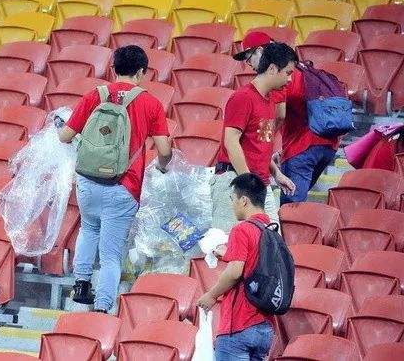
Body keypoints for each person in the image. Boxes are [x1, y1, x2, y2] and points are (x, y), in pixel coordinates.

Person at [59, 45, 173, 313]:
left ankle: (81, 285)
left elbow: (65, 136)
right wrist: (162, 165)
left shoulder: (95, 95)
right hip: (124, 186)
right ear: (142, 72)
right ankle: (102, 307)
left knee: (88, 229)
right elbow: (164, 150)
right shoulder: (151, 103)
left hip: (88, 181)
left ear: (113, 68)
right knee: (111, 254)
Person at [234, 32, 341, 205]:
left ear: (260, 51)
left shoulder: (277, 71)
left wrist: (265, 147)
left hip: (302, 147)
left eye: (248, 57)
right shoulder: (299, 69)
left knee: (291, 207)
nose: (249, 65)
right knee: (296, 203)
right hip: (328, 145)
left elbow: (279, 115)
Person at [211, 42, 297, 234]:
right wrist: (248, 183)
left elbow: (260, 146)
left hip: (258, 185)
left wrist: (276, 174)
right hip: (237, 183)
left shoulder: (269, 100)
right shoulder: (243, 98)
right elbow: (231, 142)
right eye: (288, 72)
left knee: (271, 246)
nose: (290, 79)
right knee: (225, 245)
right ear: (273, 68)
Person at [198, 173, 275, 361]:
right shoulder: (271, 231)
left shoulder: (242, 229)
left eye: (232, 199)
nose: (232, 204)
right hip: (264, 326)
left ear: (244, 201)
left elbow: (235, 272)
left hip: (239, 324)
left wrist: (211, 295)